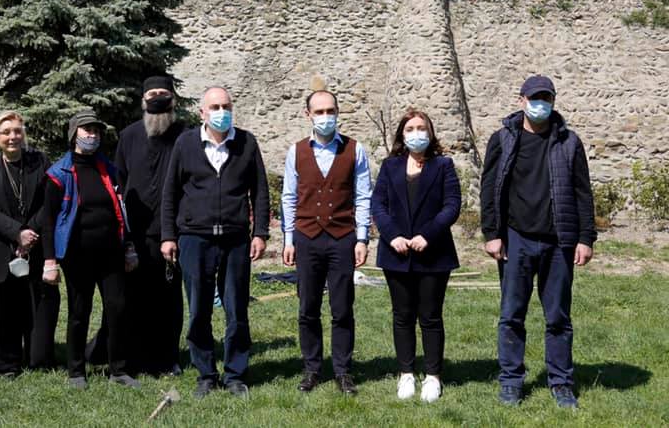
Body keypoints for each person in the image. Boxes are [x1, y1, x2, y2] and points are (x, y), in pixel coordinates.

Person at [481, 75, 596, 410]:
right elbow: (489, 189)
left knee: (558, 318)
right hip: (515, 239)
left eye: (546, 98)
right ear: (521, 100)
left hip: (559, 241)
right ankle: (511, 381)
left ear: (553, 102)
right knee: (511, 315)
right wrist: (492, 234)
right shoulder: (503, 139)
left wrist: (585, 238)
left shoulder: (569, 142)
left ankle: (561, 383)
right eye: (534, 98)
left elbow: (582, 192)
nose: (540, 104)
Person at [161, 86, 270, 399]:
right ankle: (206, 374)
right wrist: (168, 236)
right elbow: (170, 193)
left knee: (236, 310)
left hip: (236, 240)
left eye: (226, 106)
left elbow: (260, 191)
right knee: (199, 310)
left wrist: (260, 233)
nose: (221, 112)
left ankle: (235, 374)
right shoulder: (185, 144)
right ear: (202, 113)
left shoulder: (247, 143)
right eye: (215, 107)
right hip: (194, 239)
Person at [88, 76, 186, 375]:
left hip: (172, 231)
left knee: (168, 299)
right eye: (152, 94)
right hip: (136, 232)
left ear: (173, 99)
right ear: (143, 100)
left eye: (163, 93)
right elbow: (118, 181)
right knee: (134, 296)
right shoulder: (129, 135)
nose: (157, 98)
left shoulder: (185, 136)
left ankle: (167, 358)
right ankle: (134, 354)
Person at [280, 90, 373, 395]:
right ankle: (312, 368)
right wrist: (288, 239)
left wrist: (362, 238)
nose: (325, 117)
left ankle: (343, 370)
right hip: (306, 238)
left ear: (337, 113)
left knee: (342, 308)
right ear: (308, 114)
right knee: (308, 307)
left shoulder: (354, 150)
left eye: (330, 111)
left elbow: (363, 196)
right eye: (319, 112)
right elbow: (289, 197)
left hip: (342, 238)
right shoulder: (296, 151)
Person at [43, 109, 140, 389]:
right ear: (74, 134)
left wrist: (129, 247)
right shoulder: (58, 174)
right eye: (87, 130)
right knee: (79, 311)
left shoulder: (109, 170)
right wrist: (50, 261)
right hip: (78, 255)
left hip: (111, 253)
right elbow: (48, 222)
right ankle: (76, 372)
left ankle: (118, 370)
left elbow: (122, 211)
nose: (92, 135)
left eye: (96, 131)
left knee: (117, 309)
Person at [370, 109, 461, 403]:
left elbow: (452, 205)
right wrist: (392, 235)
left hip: (433, 253)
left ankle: (433, 376)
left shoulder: (443, 165)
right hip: (396, 253)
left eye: (422, 128)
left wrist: (428, 235)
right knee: (402, 316)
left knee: (431, 316)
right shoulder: (390, 166)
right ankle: (406, 372)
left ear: (430, 132)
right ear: (402, 134)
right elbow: (378, 205)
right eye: (410, 128)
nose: (416, 133)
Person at [0, 111, 57, 375]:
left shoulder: (39, 162)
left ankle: (37, 358)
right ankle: (4, 363)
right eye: (6, 132)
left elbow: (47, 203)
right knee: (0, 309)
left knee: (34, 305)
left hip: (35, 243)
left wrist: (29, 233)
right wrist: (17, 233)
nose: (13, 137)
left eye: (17, 131)